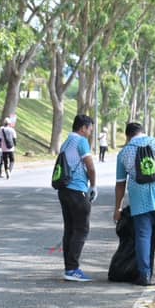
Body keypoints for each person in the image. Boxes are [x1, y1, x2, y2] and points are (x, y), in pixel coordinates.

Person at [114, 122, 155, 286]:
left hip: (139, 199)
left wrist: (118, 207)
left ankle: (144, 275)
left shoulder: (123, 153)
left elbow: (120, 183)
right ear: (143, 132)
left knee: (143, 236)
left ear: (128, 136)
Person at [57, 114, 98, 282]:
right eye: (89, 129)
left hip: (64, 190)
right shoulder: (81, 142)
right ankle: (73, 269)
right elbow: (90, 166)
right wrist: (93, 186)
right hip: (77, 190)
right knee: (81, 229)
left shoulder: (66, 141)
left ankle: (69, 268)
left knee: (70, 229)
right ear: (83, 128)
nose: (90, 132)